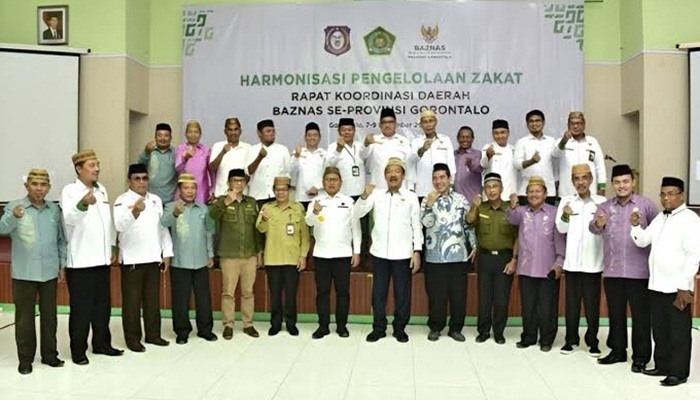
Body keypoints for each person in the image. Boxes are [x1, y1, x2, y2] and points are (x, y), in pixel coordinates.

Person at [630, 176, 700, 387]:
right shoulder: (660, 218)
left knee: (678, 332)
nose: (666, 198)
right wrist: (635, 226)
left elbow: (694, 255)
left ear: (681, 195)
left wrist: (684, 286)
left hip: (677, 288)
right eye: (663, 194)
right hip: (657, 285)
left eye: (671, 194)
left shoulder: (691, 220)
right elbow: (643, 241)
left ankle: (678, 372)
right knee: (659, 329)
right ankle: (662, 365)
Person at [589, 164, 656, 372]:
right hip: (613, 271)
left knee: (641, 317)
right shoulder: (605, 207)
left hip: (640, 273)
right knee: (615, 314)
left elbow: (657, 231)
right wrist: (599, 223)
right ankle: (617, 351)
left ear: (633, 182)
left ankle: (641, 357)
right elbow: (593, 228)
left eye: (626, 181)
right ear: (612, 185)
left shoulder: (646, 205)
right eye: (617, 182)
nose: (622, 186)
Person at [0, 169, 66, 374]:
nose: (39, 189)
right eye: (35, 184)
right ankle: (25, 360)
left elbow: (61, 240)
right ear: (26, 186)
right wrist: (13, 217)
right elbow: (1, 229)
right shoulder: (14, 206)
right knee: (24, 318)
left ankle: (50, 355)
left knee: (50, 316)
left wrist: (62, 265)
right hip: (24, 272)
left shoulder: (54, 210)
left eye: (43, 185)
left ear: (48, 188)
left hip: (48, 271)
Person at [61, 149, 123, 365]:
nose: (97, 169)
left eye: (98, 164)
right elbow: (68, 218)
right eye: (92, 165)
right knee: (81, 309)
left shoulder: (102, 190)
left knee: (102, 306)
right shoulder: (70, 190)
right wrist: (83, 204)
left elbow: (108, 222)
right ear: (79, 169)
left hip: (102, 259)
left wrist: (113, 246)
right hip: (81, 261)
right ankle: (78, 350)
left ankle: (102, 344)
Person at [354, 157, 423, 343]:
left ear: (403, 175)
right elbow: (357, 213)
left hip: (403, 255)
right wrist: (363, 196)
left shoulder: (411, 196)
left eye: (397, 171)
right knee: (378, 294)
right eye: (389, 172)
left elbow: (416, 225)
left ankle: (400, 328)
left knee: (402, 295)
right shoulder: (376, 195)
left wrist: (417, 251)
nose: (393, 175)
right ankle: (379, 328)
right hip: (380, 255)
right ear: (385, 176)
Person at [113, 164, 173, 352]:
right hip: (132, 260)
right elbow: (119, 226)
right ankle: (132, 339)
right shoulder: (122, 201)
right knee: (132, 303)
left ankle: (153, 335)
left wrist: (167, 253)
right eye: (137, 178)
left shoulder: (155, 200)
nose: (141, 182)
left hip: (153, 257)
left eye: (144, 178)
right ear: (129, 181)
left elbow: (162, 228)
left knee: (152, 301)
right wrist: (135, 212)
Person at [507, 176, 565, 352]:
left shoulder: (555, 213)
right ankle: (529, 337)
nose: (534, 194)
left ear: (546, 193)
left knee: (548, 307)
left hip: (549, 268)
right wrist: (513, 204)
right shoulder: (522, 212)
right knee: (529, 306)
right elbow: (510, 218)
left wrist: (559, 262)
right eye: (530, 191)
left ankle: (547, 339)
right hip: (526, 268)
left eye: (538, 191)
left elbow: (561, 239)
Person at [555, 164, 606, 357]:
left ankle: (593, 341)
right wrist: (566, 216)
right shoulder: (566, 201)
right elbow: (561, 229)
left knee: (592, 306)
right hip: (573, 264)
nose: (581, 182)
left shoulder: (601, 202)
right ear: (572, 181)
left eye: (585, 178)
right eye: (577, 178)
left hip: (594, 263)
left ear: (591, 179)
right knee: (572, 305)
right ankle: (571, 340)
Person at [421, 163, 475, 342]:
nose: (438, 181)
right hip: (435, 257)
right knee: (436, 295)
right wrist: (429, 205)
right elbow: (427, 224)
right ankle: (435, 327)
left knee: (458, 295)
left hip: (458, 255)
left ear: (449, 178)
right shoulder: (427, 199)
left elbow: (468, 224)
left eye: (442, 177)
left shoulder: (461, 199)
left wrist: (473, 245)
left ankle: (455, 328)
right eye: (435, 178)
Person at [305, 167, 361, 339]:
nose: (331, 182)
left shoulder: (349, 201)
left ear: (341, 183)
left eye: (334, 179)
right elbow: (308, 222)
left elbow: (356, 228)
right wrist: (315, 211)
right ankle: (323, 326)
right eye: (328, 179)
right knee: (322, 293)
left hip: (343, 254)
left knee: (343, 292)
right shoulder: (316, 202)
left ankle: (342, 326)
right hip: (321, 254)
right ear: (323, 183)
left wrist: (357, 251)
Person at [161, 173, 217, 345]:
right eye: (186, 188)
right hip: (180, 261)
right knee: (180, 299)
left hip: (201, 260)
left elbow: (209, 232)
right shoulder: (171, 207)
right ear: (179, 190)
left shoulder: (203, 209)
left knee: (203, 298)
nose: (190, 191)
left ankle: (205, 330)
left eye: (193, 188)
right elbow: (163, 224)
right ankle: (182, 331)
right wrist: (176, 213)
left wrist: (210, 254)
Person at [210, 169, 264, 340]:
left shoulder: (252, 202)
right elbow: (212, 216)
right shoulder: (221, 201)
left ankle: (248, 324)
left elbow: (257, 230)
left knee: (248, 292)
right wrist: (227, 201)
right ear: (229, 183)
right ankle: (228, 325)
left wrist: (259, 252)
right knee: (228, 293)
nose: (238, 184)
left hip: (249, 255)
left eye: (241, 181)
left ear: (245, 183)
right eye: (235, 181)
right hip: (229, 254)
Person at [466, 172, 518, 345]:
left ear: (501, 188)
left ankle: (499, 332)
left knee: (502, 299)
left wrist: (514, 260)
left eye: (495, 186)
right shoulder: (481, 208)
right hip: (485, 258)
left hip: (505, 258)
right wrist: (474, 206)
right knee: (485, 298)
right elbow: (469, 220)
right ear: (484, 190)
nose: (492, 190)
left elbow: (518, 237)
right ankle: (483, 331)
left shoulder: (510, 209)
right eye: (488, 187)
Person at [256, 176, 310, 336]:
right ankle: (275, 323)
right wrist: (264, 218)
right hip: (273, 259)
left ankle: (291, 323)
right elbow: (260, 229)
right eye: (278, 190)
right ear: (274, 191)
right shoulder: (267, 207)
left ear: (289, 191)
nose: (281, 193)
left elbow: (304, 236)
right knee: (275, 294)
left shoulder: (298, 208)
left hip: (293, 259)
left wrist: (303, 256)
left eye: (284, 190)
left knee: (291, 294)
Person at [552, 112, 606, 198]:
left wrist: (602, 188)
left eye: (579, 123)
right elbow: (555, 154)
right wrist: (564, 141)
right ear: (568, 125)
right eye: (572, 123)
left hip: (590, 193)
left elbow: (600, 167)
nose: (575, 126)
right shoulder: (561, 142)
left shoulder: (592, 142)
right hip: (567, 193)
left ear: (584, 124)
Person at [513, 110, 558, 204]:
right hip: (527, 192)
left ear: (543, 122)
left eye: (538, 120)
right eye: (531, 121)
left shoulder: (551, 141)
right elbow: (517, 164)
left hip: (548, 191)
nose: (534, 123)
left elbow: (557, 163)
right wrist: (532, 161)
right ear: (527, 124)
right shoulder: (521, 142)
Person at [363, 108, 412, 190]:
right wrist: (366, 144)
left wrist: (410, 188)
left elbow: (409, 166)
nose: (387, 125)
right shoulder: (373, 140)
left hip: (401, 189)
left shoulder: (404, 141)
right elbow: (363, 158)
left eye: (390, 122)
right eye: (384, 122)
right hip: (378, 188)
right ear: (380, 125)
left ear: (395, 124)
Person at [410, 110, 456, 199]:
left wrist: (450, 186)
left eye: (431, 121)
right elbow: (411, 163)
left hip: (442, 191)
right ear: (421, 125)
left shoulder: (445, 140)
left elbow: (451, 166)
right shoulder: (416, 142)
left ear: (436, 122)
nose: (428, 125)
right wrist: (422, 150)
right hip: (422, 191)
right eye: (425, 122)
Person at [246, 119, 291, 206]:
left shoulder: (282, 150)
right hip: (257, 196)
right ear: (259, 133)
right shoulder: (252, 150)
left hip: (278, 198)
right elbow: (249, 172)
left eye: (273, 131)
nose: (272, 134)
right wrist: (259, 157)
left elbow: (287, 174)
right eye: (268, 131)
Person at [325, 118, 367, 198]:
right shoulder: (332, 147)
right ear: (339, 131)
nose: (347, 132)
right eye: (343, 130)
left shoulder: (360, 146)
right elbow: (328, 166)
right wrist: (338, 150)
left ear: (354, 131)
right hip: (343, 193)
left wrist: (367, 144)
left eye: (350, 129)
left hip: (360, 192)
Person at [209, 117, 251, 197]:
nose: (233, 132)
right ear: (225, 131)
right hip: (222, 194)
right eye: (230, 130)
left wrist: (238, 187)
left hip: (242, 196)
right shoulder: (218, 146)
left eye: (236, 129)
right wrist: (223, 152)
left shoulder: (248, 148)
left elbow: (250, 174)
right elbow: (212, 168)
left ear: (240, 131)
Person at [137, 122, 177, 204]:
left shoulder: (176, 154)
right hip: (150, 200)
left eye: (166, 135)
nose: (163, 138)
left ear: (170, 138)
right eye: (160, 135)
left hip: (169, 201)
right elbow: (139, 168)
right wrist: (146, 152)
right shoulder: (149, 151)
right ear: (155, 137)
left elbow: (182, 170)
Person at [291, 122, 327, 209]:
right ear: (305, 137)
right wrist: (296, 156)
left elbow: (328, 175)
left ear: (319, 137)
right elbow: (292, 171)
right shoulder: (297, 152)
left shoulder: (324, 154)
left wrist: (318, 187)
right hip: (301, 198)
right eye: (309, 135)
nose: (312, 138)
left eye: (315, 135)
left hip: (320, 198)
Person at [480, 120, 518, 201]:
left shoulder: (514, 150)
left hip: (509, 196)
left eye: (503, 132)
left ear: (508, 133)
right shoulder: (488, 147)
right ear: (492, 134)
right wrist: (488, 155)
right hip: (491, 196)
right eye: (496, 133)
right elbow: (483, 164)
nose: (500, 136)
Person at [175, 120, 212, 203]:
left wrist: (212, 189)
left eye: (196, 132)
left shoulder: (206, 150)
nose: (193, 135)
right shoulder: (181, 148)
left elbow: (212, 172)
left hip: (201, 191)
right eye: (190, 132)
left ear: (200, 134)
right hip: (184, 190)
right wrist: (185, 158)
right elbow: (177, 168)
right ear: (186, 134)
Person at [453, 126, 482, 202]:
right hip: (456, 201)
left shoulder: (478, 154)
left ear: (472, 139)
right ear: (457, 138)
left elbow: (480, 169)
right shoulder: (453, 155)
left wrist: (471, 165)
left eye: (468, 137)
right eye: (462, 137)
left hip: (472, 200)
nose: (465, 140)